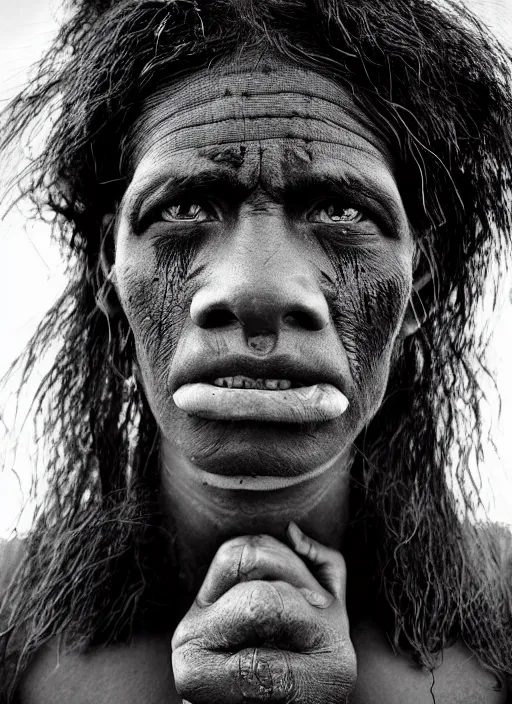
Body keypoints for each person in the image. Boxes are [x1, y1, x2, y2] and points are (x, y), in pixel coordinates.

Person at [0, 0, 511, 701]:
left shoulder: (503, 618)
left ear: (418, 290)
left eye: (341, 210)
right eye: (183, 208)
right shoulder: (8, 622)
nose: (256, 290)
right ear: (105, 277)